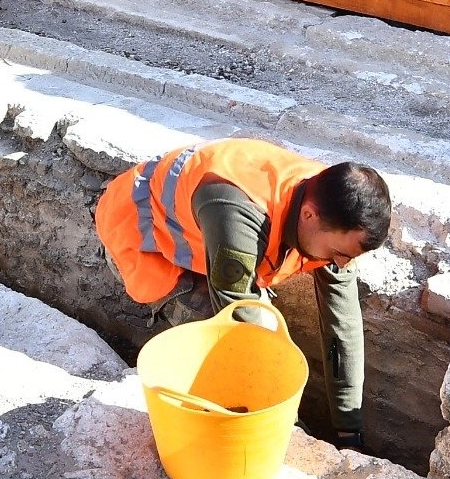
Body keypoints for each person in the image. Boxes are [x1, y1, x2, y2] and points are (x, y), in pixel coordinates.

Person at [96, 137, 391, 449]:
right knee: (227, 343)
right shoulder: (236, 209)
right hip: (143, 236)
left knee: (264, 327)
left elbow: (342, 326)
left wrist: (349, 432)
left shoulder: (335, 207)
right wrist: (290, 433)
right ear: (309, 216)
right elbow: (242, 331)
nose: (341, 264)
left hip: (208, 234)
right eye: (337, 253)